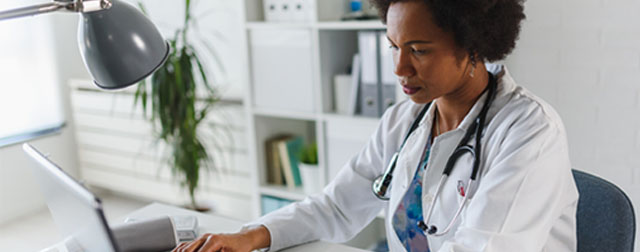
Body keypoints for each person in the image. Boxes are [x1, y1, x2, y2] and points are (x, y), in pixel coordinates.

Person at [173, 0, 579, 251]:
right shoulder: (405, 120)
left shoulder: (529, 132)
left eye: (418, 50)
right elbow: (336, 207)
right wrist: (254, 235)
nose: (399, 68)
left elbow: (483, 247)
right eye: (394, 47)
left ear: (473, 44)